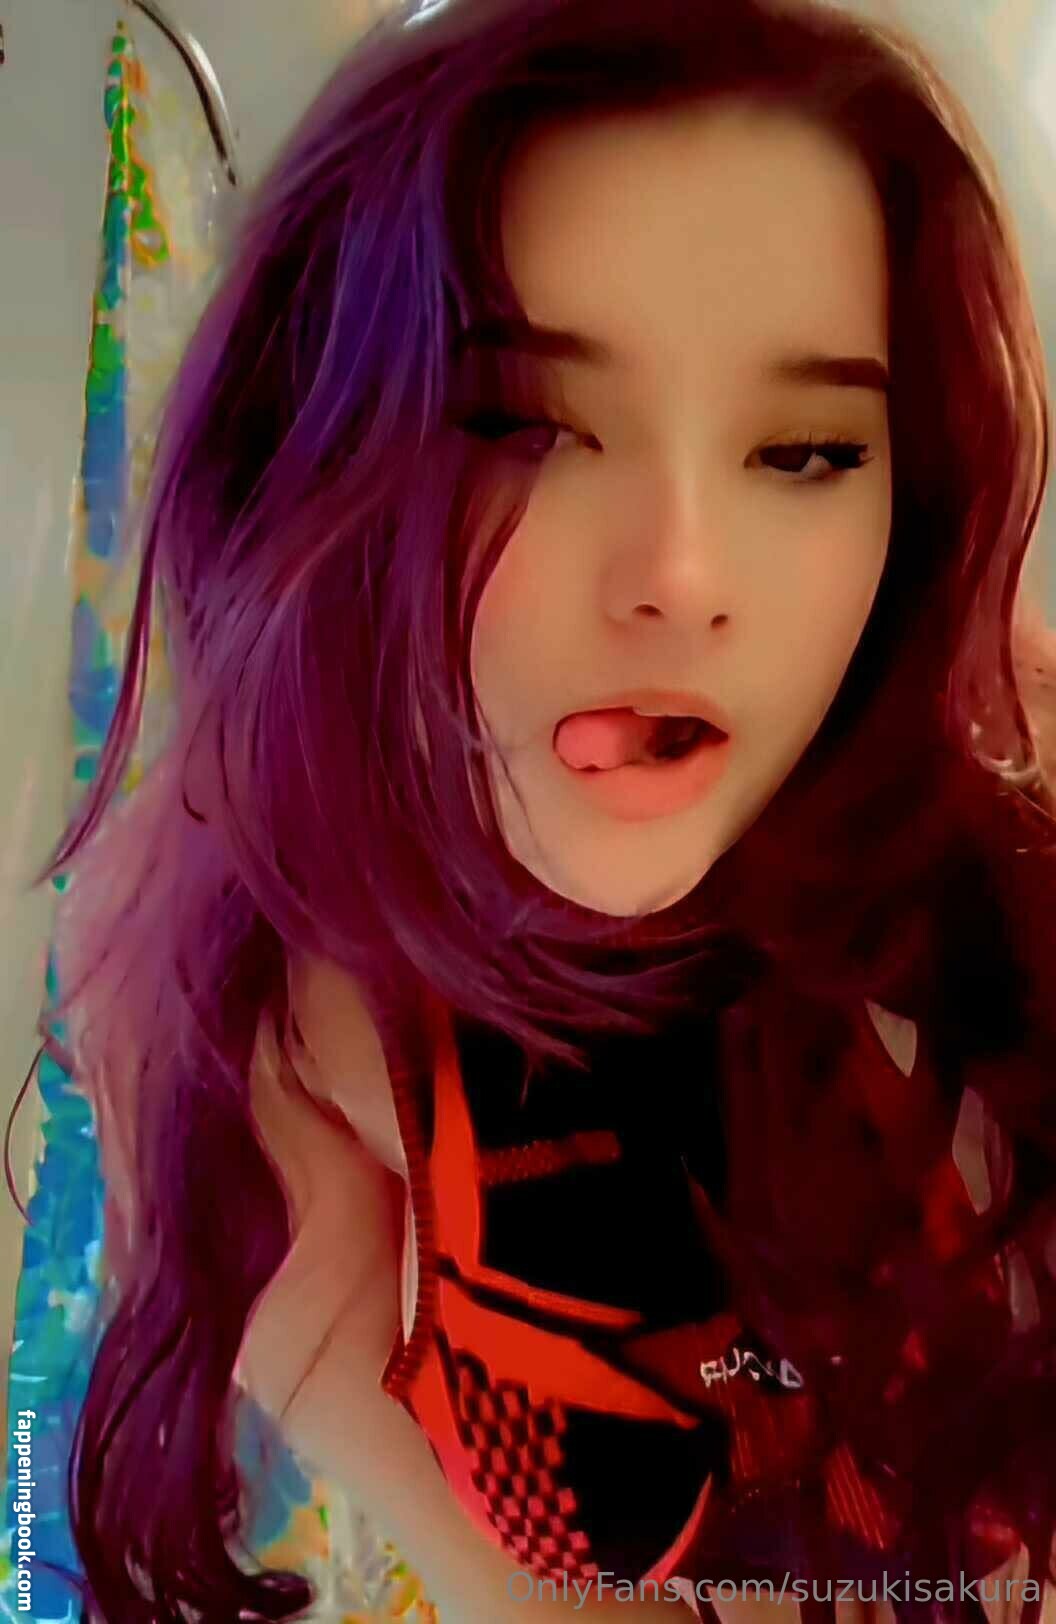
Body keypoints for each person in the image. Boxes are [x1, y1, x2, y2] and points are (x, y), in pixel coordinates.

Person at [41, 0, 1056, 1618]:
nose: (682, 577)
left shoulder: (1015, 821)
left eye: (806, 451)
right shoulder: (264, 1012)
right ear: (317, 449)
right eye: (525, 424)